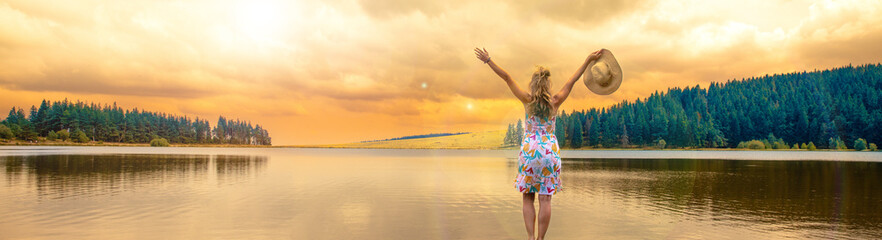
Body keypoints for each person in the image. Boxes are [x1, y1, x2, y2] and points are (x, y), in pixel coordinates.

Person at [474, 47, 603, 240]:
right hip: (549, 153)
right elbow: (572, 80)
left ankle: (530, 238)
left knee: (528, 197)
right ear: (548, 84)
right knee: (545, 198)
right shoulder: (556, 101)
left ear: (533, 85)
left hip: (530, 153)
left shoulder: (527, 100)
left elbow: (507, 77)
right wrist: (587, 60)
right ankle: (541, 239)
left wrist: (488, 60)